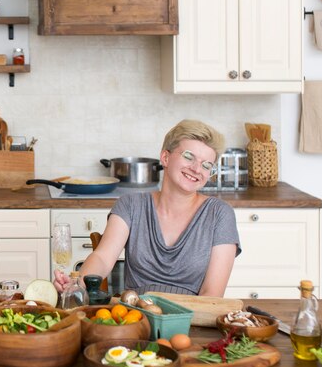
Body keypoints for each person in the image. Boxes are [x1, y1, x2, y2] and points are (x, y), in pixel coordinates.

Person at [54, 119, 241, 297]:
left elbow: (212, 295)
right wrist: (77, 285)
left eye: (206, 165)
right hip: (136, 317)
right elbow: (103, 257)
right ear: (165, 157)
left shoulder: (219, 214)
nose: (196, 169)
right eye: (189, 156)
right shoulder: (131, 205)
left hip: (190, 321)